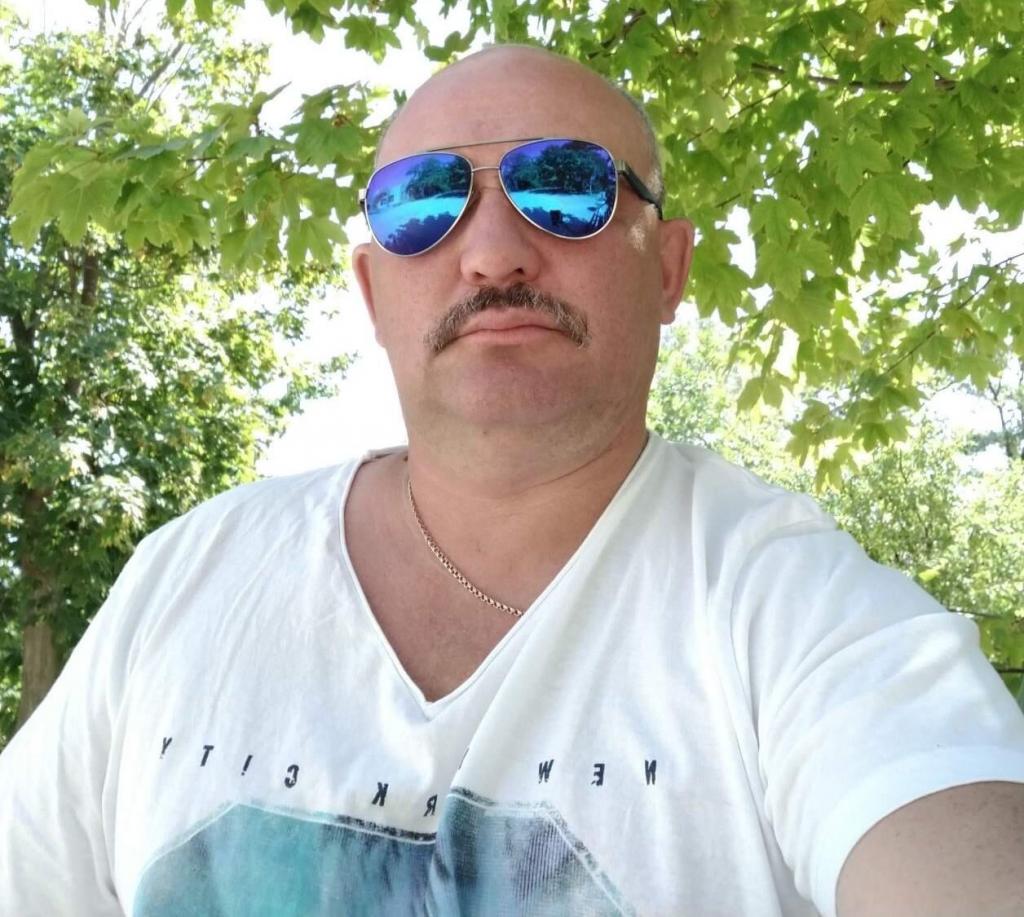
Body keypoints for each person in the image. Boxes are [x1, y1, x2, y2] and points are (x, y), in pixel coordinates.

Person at [2, 43, 1023, 917]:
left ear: (668, 267)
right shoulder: (185, 576)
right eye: (421, 204)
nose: (492, 254)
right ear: (371, 289)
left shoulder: (792, 612)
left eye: (566, 186)